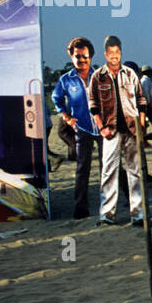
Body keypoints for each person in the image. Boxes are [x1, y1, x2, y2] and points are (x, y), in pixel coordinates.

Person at [88, 35, 148, 226]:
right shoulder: (98, 76)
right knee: (108, 172)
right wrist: (101, 128)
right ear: (106, 54)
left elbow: (141, 101)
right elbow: (93, 105)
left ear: (121, 52)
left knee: (135, 172)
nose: (115, 56)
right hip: (110, 131)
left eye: (118, 52)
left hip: (132, 129)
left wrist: (142, 125)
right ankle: (107, 215)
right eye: (111, 52)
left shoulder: (130, 74)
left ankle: (138, 214)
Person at [52, 36, 102, 219]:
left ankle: (121, 203)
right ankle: (80, 209)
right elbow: (56, 99)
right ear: (71, 57)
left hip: (102, 128)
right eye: (78, 56)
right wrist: (66, 117)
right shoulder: (66, 80)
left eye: (85, 56)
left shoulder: (100, 76)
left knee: (111, 167)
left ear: (91, 57)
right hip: (82, 129)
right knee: (83, 169)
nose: (81, 60)